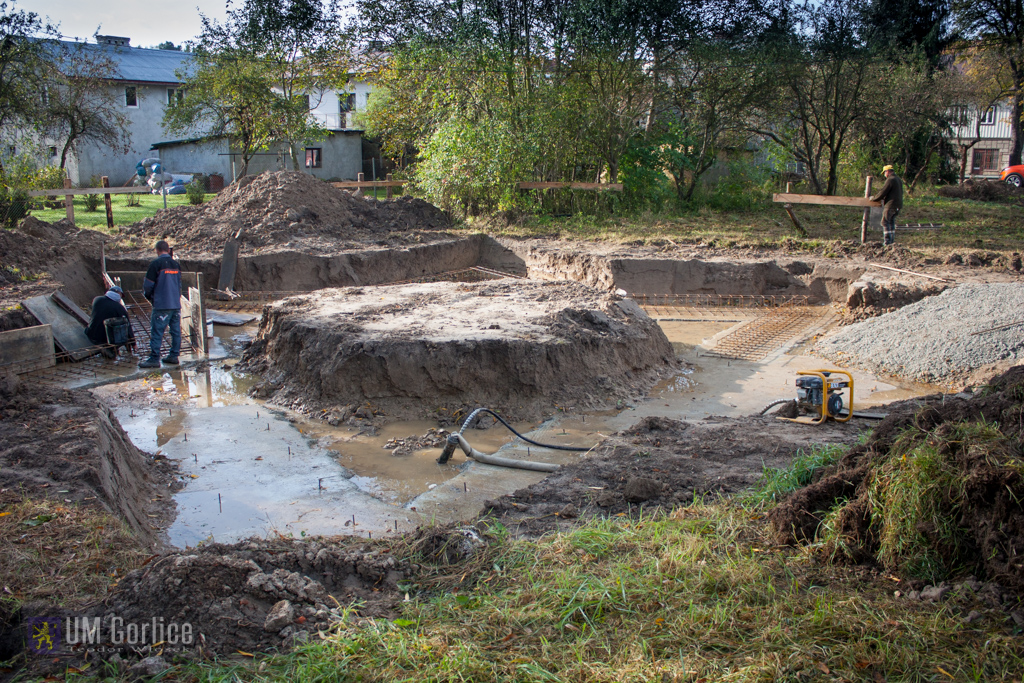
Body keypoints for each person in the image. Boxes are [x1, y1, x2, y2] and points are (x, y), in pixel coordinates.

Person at [140, 240, 182, 368]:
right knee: (176, 331)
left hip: (162, 305)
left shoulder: (156, 264)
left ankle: (154, 359)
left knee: (157, 331)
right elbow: (179, 284)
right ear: (169, 250)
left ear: (157, 250)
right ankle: (174, 356)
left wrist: (149, 297)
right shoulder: (176, 265)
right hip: (175, 304)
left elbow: (148, 285)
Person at [84, 285, 134, 357]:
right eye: (120, 295)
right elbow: (128, 327)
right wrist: (134, 344)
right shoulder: (120, 308)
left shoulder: (97, 299)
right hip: (106, 340)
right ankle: (110, 350)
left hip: (91, 334)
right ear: (118, 294)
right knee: (121, 327)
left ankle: (106, 349)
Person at [870, 164, 903, 246]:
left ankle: (887, 241)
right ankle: (892, 240)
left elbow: (883, 192)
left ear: (887, 171)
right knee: (891, 222)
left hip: (891, 204)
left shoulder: (890, 179)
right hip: (898, 204)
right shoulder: (898, 179)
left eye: (884, 173)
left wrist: (873, 199)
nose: (884, 175)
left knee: (884, 222)